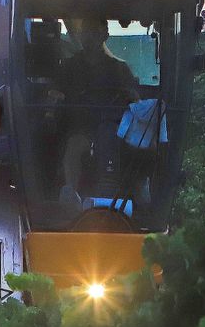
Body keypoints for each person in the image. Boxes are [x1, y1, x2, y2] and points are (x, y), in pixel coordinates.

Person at [53, 19, 140, 206]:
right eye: (86, 32)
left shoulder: (119, 68)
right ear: (81, 35)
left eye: (95, 32)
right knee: (74, 147)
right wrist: (56, 95)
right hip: (82, 127)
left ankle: (132, 194)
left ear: (105, 36)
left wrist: (132, 96)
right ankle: (72, 196)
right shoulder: (69, 67)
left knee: (132, 148)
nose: (89, 37)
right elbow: (55, 92)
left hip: (114, 129)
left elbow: (135, 99)